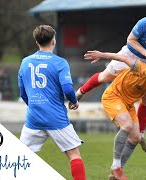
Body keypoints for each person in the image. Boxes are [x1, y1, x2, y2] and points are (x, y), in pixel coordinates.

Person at [74, 8, 146, 153]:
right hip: (130, 54)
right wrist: (144, 52)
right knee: (105, 77)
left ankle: (141, 134)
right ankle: (80, 92)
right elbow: (130, 40)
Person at [84, 50, 146, 180]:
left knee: (135, 138)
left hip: (128, 104)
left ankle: (116, 174)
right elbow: (122, 58)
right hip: (113, 97)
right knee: (127, 125)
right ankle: (115, 166)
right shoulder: (144, 70)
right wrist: (102, 55)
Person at [18, 25, 86, 180]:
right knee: (74, 155)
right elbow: (68, 89)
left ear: (37, 42)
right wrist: (74, 101)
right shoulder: (60, 63)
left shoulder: (25, 62)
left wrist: (35, 106)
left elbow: (23, 92)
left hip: (33, 118)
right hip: (56, 118)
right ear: (53, 41)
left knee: (20, 159)